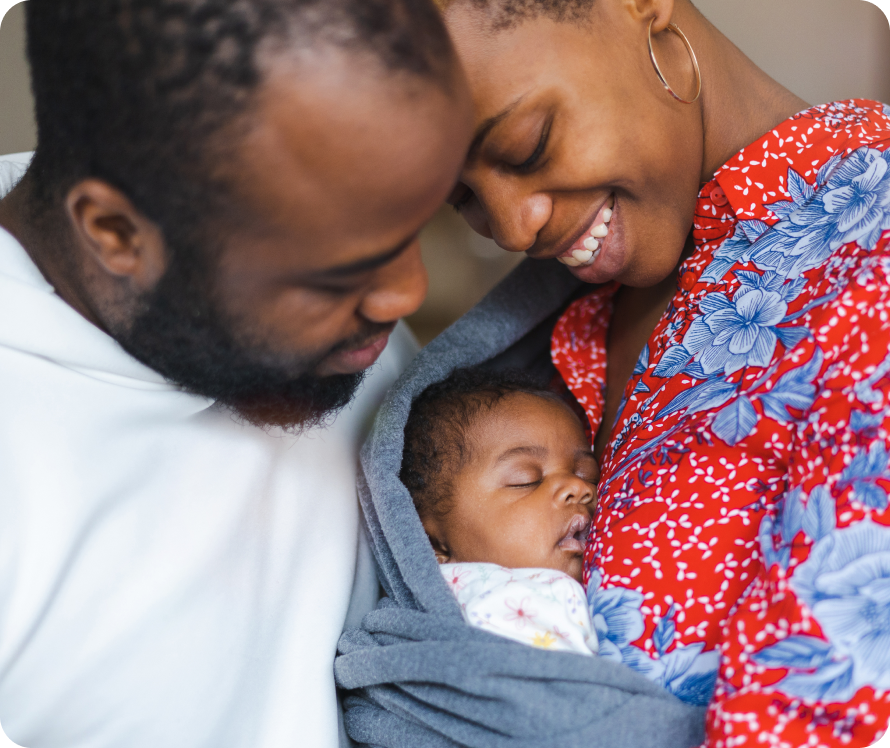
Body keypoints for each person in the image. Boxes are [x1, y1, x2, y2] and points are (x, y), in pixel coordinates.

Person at [0, 0, 472, 746]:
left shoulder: (328, 313)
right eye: (338, 274)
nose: (406, 295)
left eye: (417, 227)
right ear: (117, 234)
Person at [433, 0, 890, 744]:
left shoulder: (867, 252)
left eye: (527, 144)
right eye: (465, 201)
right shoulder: (580, 315)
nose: (513, 228)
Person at [400, 367, 599, 655]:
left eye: (588, 474)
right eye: (526, 480)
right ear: (431, 542)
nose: (578, 487)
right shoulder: (499, 599)